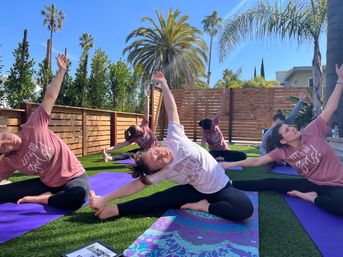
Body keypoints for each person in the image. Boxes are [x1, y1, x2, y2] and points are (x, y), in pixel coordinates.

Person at [90, 72, 254, 221]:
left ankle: (203, 206)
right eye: (158, 162)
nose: (160, 156)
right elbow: (136, 185)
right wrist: (104, 199)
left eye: (156, 153)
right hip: (195, 190)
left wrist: (164, 84)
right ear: (159, 169)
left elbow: (171, 109)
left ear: (155, 147)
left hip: (222, 187)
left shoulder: (174, 137)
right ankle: (113, 210)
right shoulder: (164, 172)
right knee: (157, 200)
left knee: (245, 209)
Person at [221, 64, 343, 216]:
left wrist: (340, 80)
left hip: (338, 184)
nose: (292, 128)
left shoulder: (312, 130)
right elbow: (256, 161)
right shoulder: (282, 152)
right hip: (312, 183)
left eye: (289, 126)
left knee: (340, 205)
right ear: (284, 141)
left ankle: (309, 198)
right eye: (287, 130)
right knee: (270, 183)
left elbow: (330, 108)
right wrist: (229, 164)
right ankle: (228, 184)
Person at [0, 54, 89, 210]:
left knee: (77, 195)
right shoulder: (9, 160)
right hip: (47, 183)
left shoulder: (33, 126)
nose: (6, 143)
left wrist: (61, 71)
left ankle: (42, 199)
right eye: (2, 148)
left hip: (74, 177)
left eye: (2, 138)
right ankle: (51, 196)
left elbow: (49, 97)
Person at [103, 89, 158, 162]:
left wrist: (147, 98)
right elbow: (121, 145)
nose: (141, 131)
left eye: (140, 129)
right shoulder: (134, 137)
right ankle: (109, 158)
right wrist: (108, 149)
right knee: (128, 154)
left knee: (138, 155)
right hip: (145, 151)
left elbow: (146, 112)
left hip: (155, 149)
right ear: (136, 134)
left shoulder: (144, 125)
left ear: (138, 126)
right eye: (139, 132)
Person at [199, 96, 247, 162]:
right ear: (207, 130)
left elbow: (220, 111)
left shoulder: (214, 121)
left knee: (243, 155)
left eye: (213, 126)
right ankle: (218, 159)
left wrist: (225, 99)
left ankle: (222, 159)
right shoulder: (205, 134)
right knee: (209, 157)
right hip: (214, 152)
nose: (213, 128)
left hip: (225, 151)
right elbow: (202, 146)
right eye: (211, 128)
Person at [259, 92, 306, 156]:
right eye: (278, 124)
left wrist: (301, 100)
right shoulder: (268, 134)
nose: (279, 127)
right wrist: (268, 156)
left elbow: (293, 113)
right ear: (273, 122)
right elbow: (262, 147)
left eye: (281, 125)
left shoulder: (285, 125)